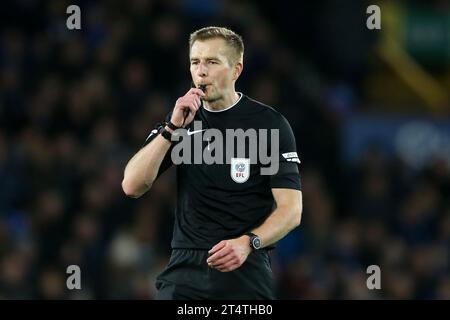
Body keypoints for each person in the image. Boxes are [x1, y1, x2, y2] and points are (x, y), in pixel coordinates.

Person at [122, 26, 303, 300]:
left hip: (245, 265)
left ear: (236, 70)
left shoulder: (268, 125)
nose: (201, 71)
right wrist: (171, 128)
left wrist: (249, 242)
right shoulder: (180, 121)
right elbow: (132, 186)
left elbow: (291, 210)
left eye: (212, 62)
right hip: (185, 268)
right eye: (195, 62)